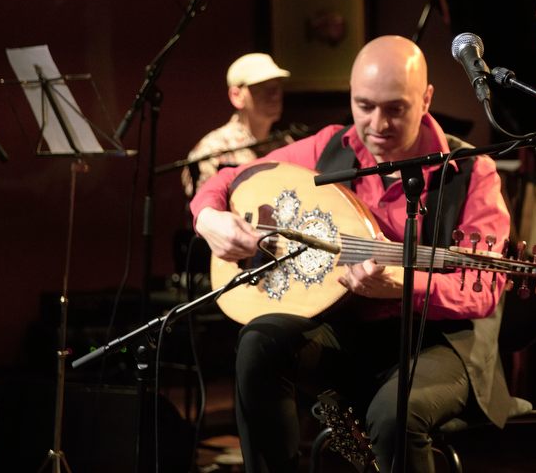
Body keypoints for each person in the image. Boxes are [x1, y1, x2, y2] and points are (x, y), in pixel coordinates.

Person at [190, 35, 512, 472]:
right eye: (364, 106)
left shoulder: (472, 171)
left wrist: (402, 285)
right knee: (259, 342)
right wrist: (208, 219)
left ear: (426, 99)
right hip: (349, 332)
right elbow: (229, 177)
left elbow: (484, 288)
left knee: (394, 416)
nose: (378, 123)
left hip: (440, 343)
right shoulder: (328, 147)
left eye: (395, 109)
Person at [181, 52, 293, 197]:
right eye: (261, 87)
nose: (274, 95)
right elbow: (204, 206)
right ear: (237, 96)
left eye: (277, 86)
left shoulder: (285, 144)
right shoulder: (213, 150)